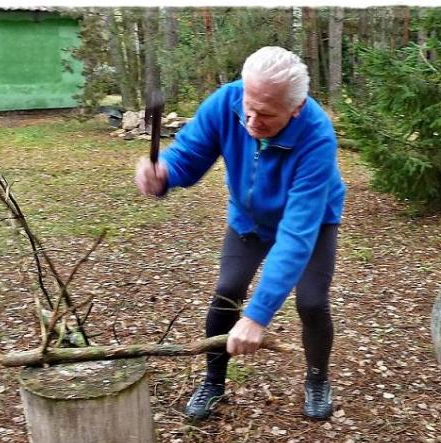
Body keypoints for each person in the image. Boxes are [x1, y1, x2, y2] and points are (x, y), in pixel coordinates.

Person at [135, 46, 346, 421]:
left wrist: (258, 316)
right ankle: (213, 381)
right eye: (249, 106)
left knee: (312, 302)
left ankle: (317, 379)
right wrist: (164, 172)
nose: (251, 120)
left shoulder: (317, 137)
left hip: (312, 222)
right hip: (249, 218)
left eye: (266, 114)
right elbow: (189, 154)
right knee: (227, 291)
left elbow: (296, 234)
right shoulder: (226, 101)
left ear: (296, 108)